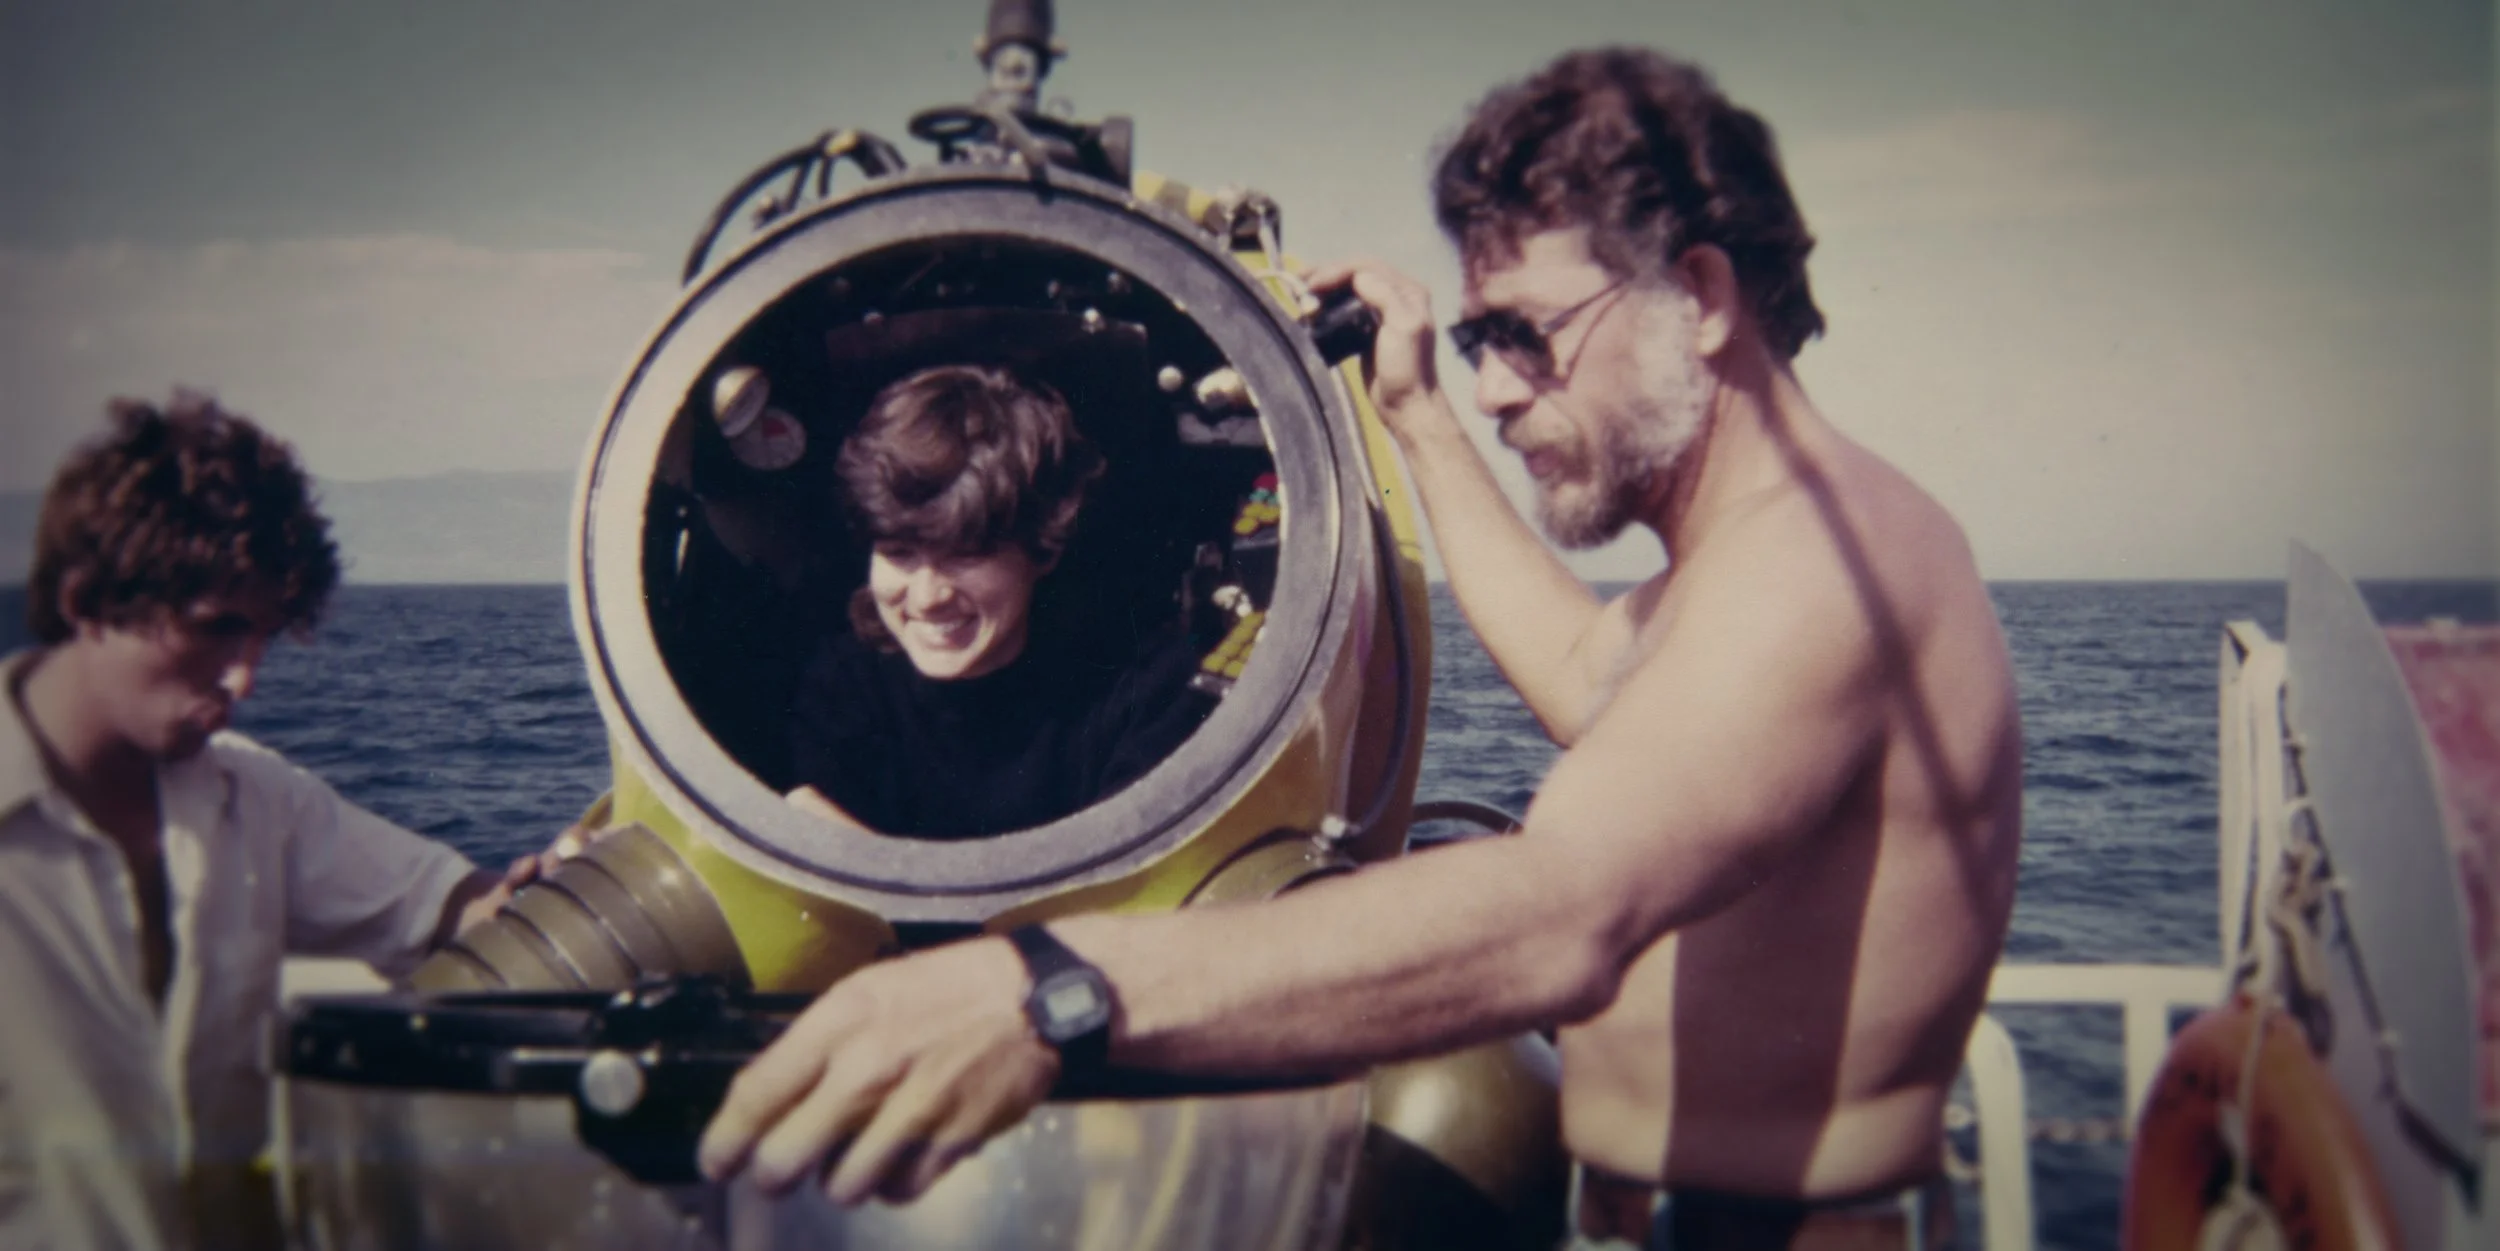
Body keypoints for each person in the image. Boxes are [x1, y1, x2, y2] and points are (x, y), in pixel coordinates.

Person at [700, 47, 2022, 1251]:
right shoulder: (1738, 572)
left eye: (1525, 331)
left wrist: (1044, 988)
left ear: (1701, 295)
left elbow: (1564, 914)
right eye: (1477, 340)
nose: (1499, 385)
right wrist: (1416, 415)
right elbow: (1583, 683)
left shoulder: (1824, 562)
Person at [0, 393, 560, 1251]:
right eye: (215, 629)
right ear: (87, 599)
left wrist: (562, 882)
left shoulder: (256, 801)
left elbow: (453, 907)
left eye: (262, 636)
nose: (244, 682)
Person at [785, 363, 1216, 838]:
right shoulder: (843, 688)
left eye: (966, 554)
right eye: (898, 552)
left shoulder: (1142, 693)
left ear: (1043, 548)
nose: (928, 598)